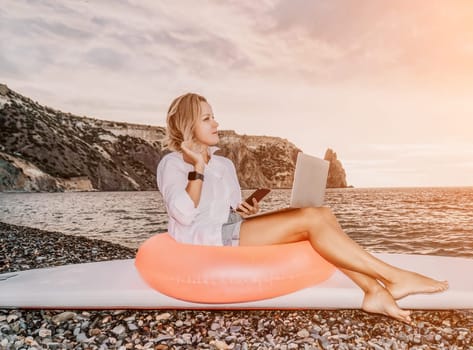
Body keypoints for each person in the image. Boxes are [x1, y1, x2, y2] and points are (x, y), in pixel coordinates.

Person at [157, 92, 448, 322]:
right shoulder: (171, 164)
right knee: (311, 220)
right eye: (207, 118)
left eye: (214, 117)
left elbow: (232, 206)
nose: (216, 123)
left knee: (323, 214)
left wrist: (248, 208)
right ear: (188, 125)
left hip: (231, 227)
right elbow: (182, 214)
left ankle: (374, 291)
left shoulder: (224, 163)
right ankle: (394, 278)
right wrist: (197, 168)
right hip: (204, 239)